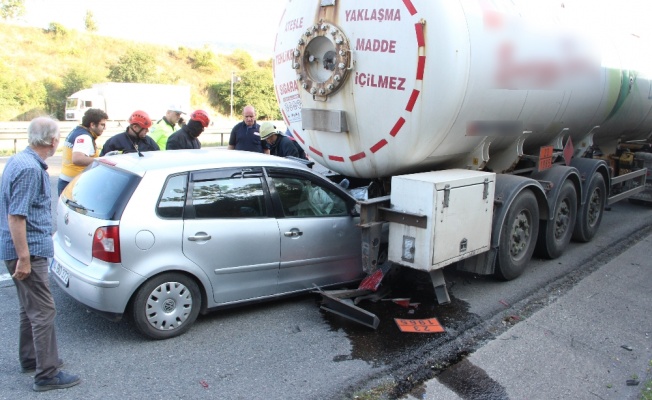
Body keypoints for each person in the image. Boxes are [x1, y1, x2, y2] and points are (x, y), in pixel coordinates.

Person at [0, 117, 81, 392]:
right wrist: (24, 258)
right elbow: (16, 216)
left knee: (29, 309)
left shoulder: (19, 160)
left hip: (24, 250)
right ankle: (47, 373)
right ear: (52, 141)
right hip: (28, 252)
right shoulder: (30, 170)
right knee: (44, 311)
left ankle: (32, 359)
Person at [57, 108, 108, 196]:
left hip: (67, 181)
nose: (104, 128)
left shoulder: (77, 131)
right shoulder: (84, 137)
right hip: (74, 184)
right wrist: (101, 161)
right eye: (102, 125)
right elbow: (77, 159)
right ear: (92, 125)